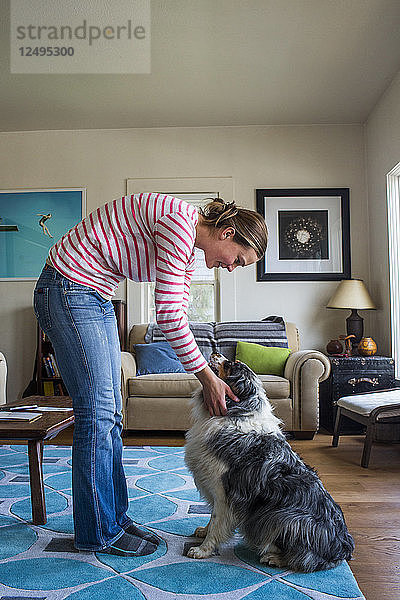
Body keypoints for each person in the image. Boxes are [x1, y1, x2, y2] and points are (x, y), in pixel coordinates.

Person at [33, 193, 268, 557]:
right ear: (227, 232)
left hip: (91, 293)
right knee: (96, 415)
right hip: (68, 288)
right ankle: (98, 532)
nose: (233, 267)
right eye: (239, 258)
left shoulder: (189, 251)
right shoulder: (179, 223)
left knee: (110, 415)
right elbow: (168, 318)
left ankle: (115, 519)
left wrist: (206, 373)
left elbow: (179, 313)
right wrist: (207, 378)